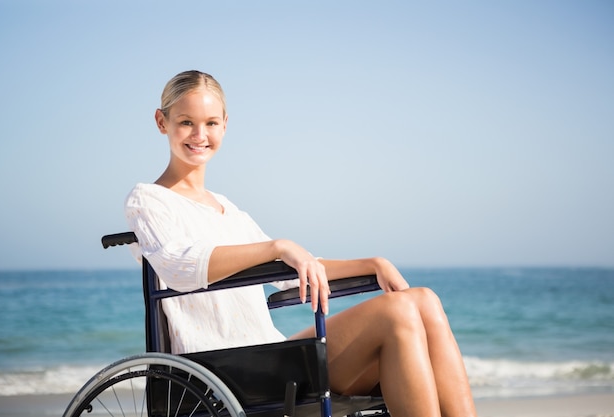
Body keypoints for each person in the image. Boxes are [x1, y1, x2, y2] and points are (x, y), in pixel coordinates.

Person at [125, 70, 477, 417]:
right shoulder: (149, 200)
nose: (200, 135)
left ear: (225, 125)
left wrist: (372, 264)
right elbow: (179, 269)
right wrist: (277, 247)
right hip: (219, 369)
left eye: (211, 123)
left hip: (265, 355)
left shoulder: (228, 210)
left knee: (423, 300)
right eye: (186, 122)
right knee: (398, 312)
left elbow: (293, 274)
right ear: (162, 122)